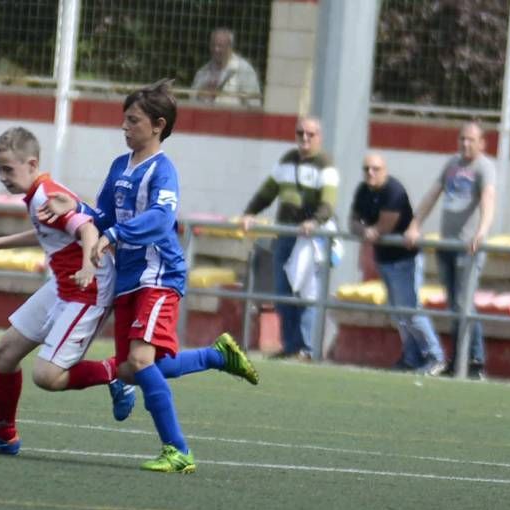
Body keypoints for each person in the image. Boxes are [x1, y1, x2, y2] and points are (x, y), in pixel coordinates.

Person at [38, 80, 259, 474]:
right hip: (129, 278)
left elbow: (160, 219)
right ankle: (216, 355)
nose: (124, 127)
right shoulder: (119, 166)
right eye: (124, 119)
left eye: (133, 120)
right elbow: (106, 217)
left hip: (158, 275)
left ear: (157, 125)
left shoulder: (163, 170)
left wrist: (113, 236)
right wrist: (78, 206)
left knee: (140, 360)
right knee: (136, 366)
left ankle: (178, 451)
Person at [0, 126, 136, 455]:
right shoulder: (38, 194)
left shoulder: (46, 194)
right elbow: (47, 228)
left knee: (48, 376)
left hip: (89, 287)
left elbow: (87, 228)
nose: (3, 178)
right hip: (62, 285)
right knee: (6, 352)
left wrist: (87, 265)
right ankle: (2, 436)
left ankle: (114, 372)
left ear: (32, 163)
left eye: (8, 170)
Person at [240, 116, 339, 360]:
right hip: (285, 234)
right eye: (300, 133)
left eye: (310, 134)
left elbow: (328, 202)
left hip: (311, 239)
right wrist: (249, 212)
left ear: (319, 138)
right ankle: (291, 345)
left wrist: (314, 222)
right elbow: (268, 191)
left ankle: (307, 349)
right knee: (282, 292)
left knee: (308, 293)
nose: (304, 138)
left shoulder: (326, 164)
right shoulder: (287, 160)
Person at [405, 121, 496, 380]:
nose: (465, 144)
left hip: (467, 247)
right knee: (453, 305)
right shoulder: (452, 164)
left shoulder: (485, 167)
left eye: (471, 140)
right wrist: (415, 224)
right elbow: (432, 195)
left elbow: (488, 199)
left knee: (463, 304)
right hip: (447, 244)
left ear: (482, 143)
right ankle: (459, 359)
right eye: (462, 139)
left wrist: (482, 231)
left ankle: (475, 360)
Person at [350, 153, 446, 376]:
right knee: (398, 314)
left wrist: (369, 230)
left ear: (385, 170)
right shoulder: (363, 190)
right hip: (384, 259)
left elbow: (386, 224)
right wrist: (364, 230)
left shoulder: (394, 190)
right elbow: (353, 221)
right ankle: (411, 356)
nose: (370, 173)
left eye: (375, 169)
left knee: (411, 311)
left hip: (405, 260)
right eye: (366, 169)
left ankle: (435, 356)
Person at [192, 28, 261, 107]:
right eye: (213, 45)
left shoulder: (244, 69)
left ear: (230, 47)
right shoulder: (203, 72)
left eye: (220, 46)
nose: (216, 49)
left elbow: (254, 104)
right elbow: (191, 100)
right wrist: (200, 95)